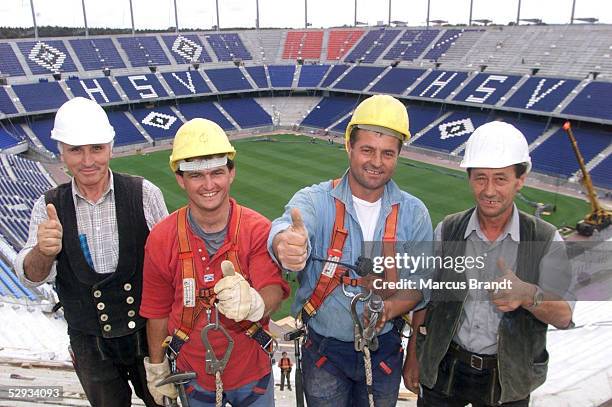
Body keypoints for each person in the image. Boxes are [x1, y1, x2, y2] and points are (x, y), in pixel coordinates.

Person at [269, 94, 433, 407]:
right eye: (367, 150)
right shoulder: (317, 200)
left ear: (399, 154)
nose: (376, 162)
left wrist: (389, 309)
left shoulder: (414, 214)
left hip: (384, 349)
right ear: (349, 146)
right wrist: (285, 244)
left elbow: (420, 286)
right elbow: (287, 226)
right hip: (325, 352)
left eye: (387, 153)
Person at [404, 121, 575, 406]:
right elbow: (427, 300)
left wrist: (529, 295)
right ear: (469, 178)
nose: (489, 190)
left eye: (501, 179)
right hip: (445, 371)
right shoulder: (448, 231)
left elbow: (564, 316)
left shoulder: (545, 239)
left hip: (508, 381)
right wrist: (413, 356)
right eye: (481, 178)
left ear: (520, 180)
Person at [14, 97, 169, 407]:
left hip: (146, 335)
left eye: (96, 148)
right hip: (89, 343)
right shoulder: (47, 206)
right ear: (61, 153)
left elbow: (170, 264)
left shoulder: (144, 193)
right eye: (75, 150)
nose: (88, 161)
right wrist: (44, 252)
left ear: (110, 147)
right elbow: (31, 277)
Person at [140, 118, 290, 407]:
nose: (209, 185)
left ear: (231, 173)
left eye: (217, 172)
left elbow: (272, 287)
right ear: (180, 179)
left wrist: (256, 303)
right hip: (192, 376)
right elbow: (156, 310)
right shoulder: (162, 238)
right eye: (196, 175)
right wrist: (157, 367)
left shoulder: (257, 229)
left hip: (251, 374)